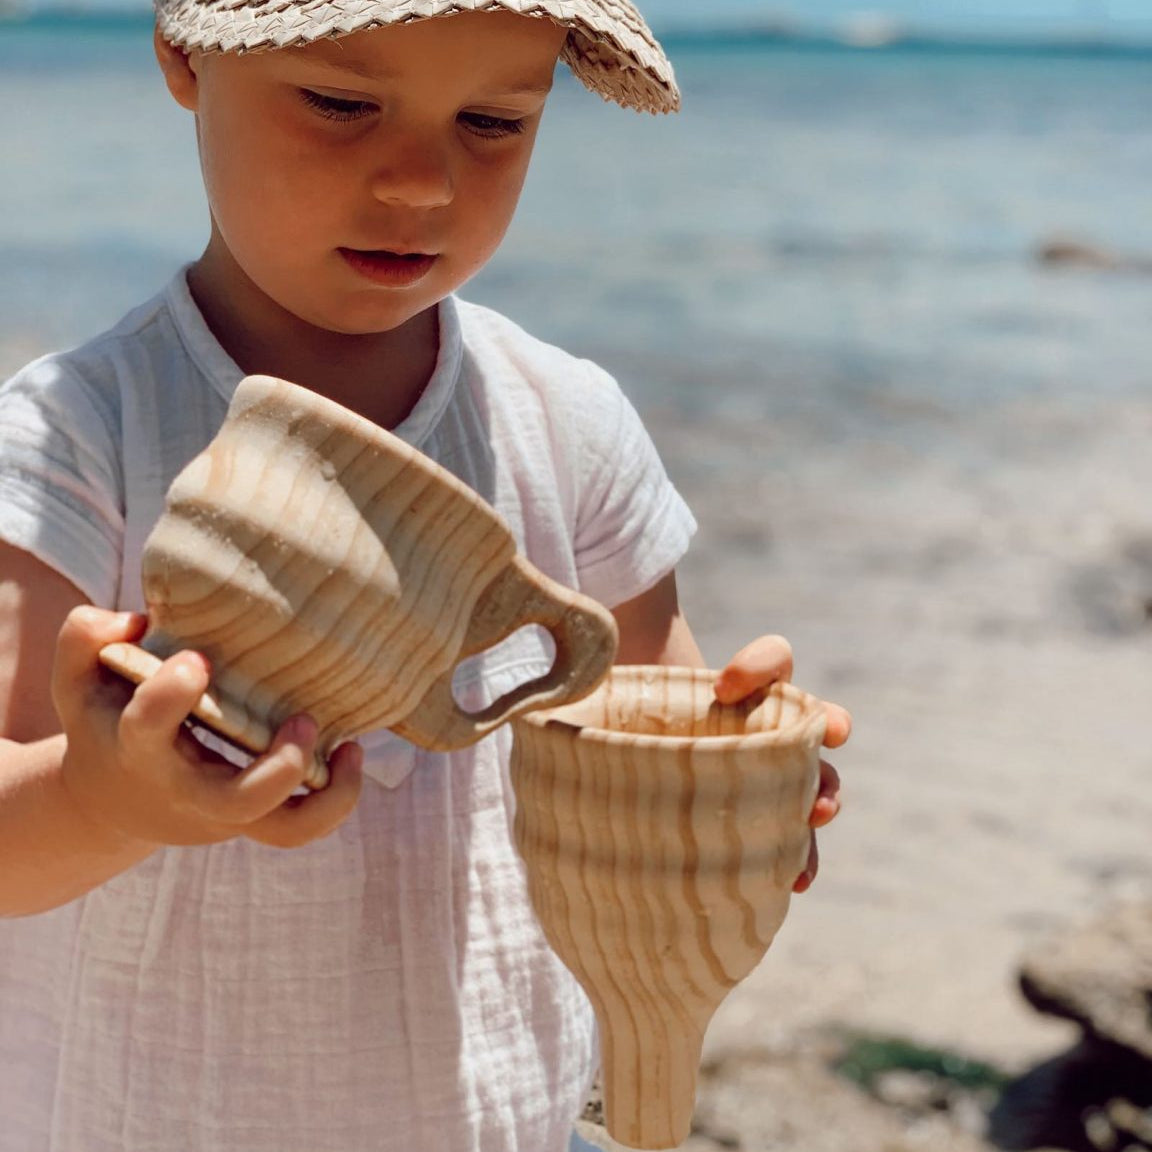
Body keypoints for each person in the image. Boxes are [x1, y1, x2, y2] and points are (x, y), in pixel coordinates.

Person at [0, 3, 850, 1149]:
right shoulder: (77, 434)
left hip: (505, 1122)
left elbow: (643, 712)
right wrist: (108, 798)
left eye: (495, 121)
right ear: (186, 59)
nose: (420, 184)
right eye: (342, 104)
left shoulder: (567, 426)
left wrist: (735, 789)